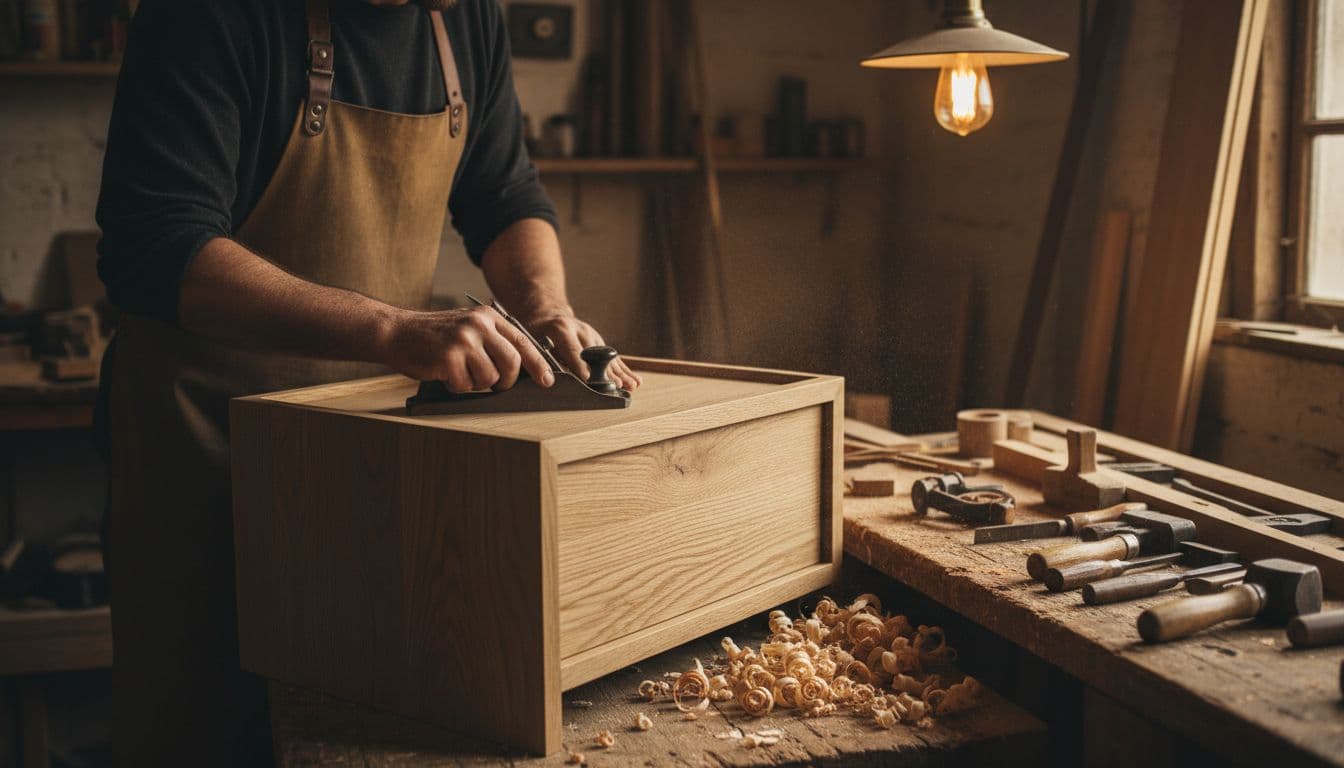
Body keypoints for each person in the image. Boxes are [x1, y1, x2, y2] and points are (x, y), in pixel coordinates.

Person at [93, 0, 639, 763]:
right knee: (205, 730)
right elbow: (156, 246)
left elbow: (505, 193)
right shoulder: (206, 14)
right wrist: (394, 330)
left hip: (369, 463)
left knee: (359, 724)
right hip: (208, 460)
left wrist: (546, 308)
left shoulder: (461, 18)